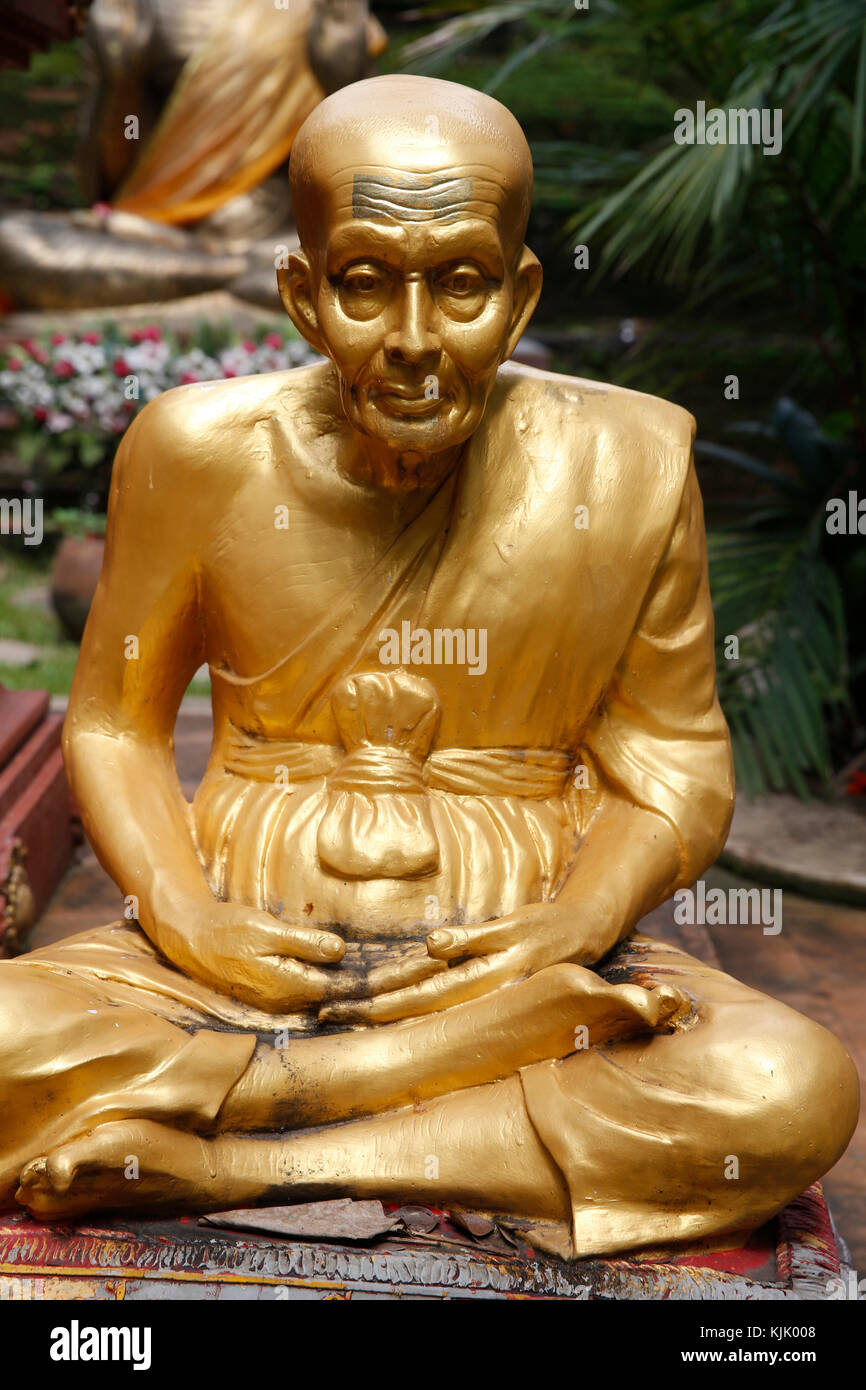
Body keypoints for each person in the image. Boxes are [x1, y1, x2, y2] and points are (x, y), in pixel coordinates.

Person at [0, 76, 856, 1259]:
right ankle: (434, 1099)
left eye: (457, 282)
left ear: (516, 297)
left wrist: (573, 923)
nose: (411, 340)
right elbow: (114, 724)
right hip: (246, 958)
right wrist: (187, 914)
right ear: (301, 295)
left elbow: (669, 758)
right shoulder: (193, 453)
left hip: (520, 962)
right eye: (362, 282)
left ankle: (243, 1157)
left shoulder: (631, 461)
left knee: (782, 1086)